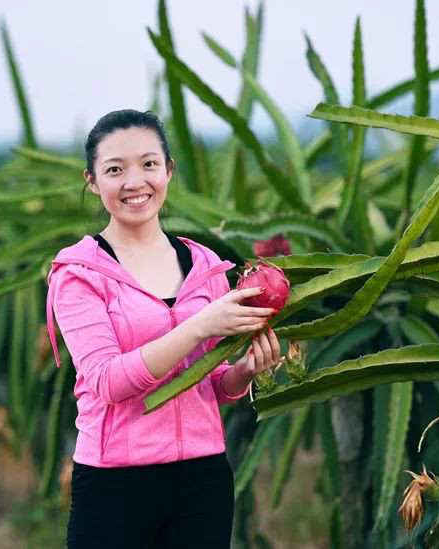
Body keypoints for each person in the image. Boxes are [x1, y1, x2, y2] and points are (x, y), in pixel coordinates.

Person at [45, 109, 281, 548]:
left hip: (202, 480)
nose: (135, 182)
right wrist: (198, 327)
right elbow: (107, 382)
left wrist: (244, 373)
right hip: (114, 483)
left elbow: (208, 381)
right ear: (93, 181)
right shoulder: (79, 273)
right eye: (115, 169)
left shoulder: (205, 265)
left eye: (149, 164)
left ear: (169, 171)